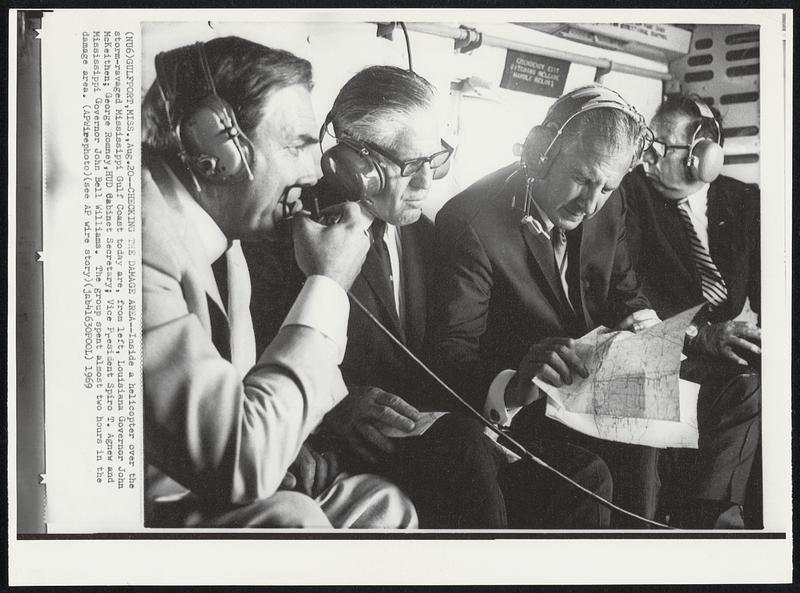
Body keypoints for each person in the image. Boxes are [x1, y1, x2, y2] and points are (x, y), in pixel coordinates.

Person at [245, 66, 612, 529]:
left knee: (583, 474)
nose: (427, 184)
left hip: (435, 434)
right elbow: (258, 368)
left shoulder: (425, 236)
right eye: (411, 167)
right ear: (357, 166)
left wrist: (514, 385)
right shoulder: (289, 237)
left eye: (434, 161)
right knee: (460, 447)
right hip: (351, 444)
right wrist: (331, 412)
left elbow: (447, 359)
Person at [140, 37, 416, 528]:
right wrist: (327, 284)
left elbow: (232, 399)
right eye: (297, 147)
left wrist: (296, 443)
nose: (314, 175)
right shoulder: (136, 244)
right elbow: (238, 458)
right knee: (293, 519)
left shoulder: (228, 242)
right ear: (214, 145)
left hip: (213, 480)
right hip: (144, 516)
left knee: (382, 506)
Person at [433, 84, 662, 527]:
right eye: (582, 179)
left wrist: (641, 324)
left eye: (606, 187)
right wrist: (517, 381)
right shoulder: (471, 221)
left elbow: (622, 289)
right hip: (518, 411)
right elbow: (450, 353)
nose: (591, 203)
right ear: (540, 151)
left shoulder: (610, 204)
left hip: (596, 395)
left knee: (645, 436)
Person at [619, 95, 761, 528]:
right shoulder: (629, 198)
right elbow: (627, 294)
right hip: (664, 349)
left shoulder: (744, 202)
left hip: (722, 347)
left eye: (661, 149)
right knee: (747, 384)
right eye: (647, 146)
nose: (646, 160)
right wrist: (699, 335)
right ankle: (710, 518)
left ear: (704, 153)